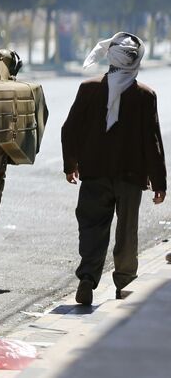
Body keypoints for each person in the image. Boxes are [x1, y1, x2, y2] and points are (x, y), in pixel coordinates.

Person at [61, 32, 166, 306]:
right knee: (127, 231)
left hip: (94, 173)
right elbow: (152, 141)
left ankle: (87, 279)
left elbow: (69, 129)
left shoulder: (89, 89)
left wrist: (70, 165)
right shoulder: (145, 95)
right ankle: (125, 285)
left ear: (111, 58)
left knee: (93, 227)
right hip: (130, 177)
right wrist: (160, 182)